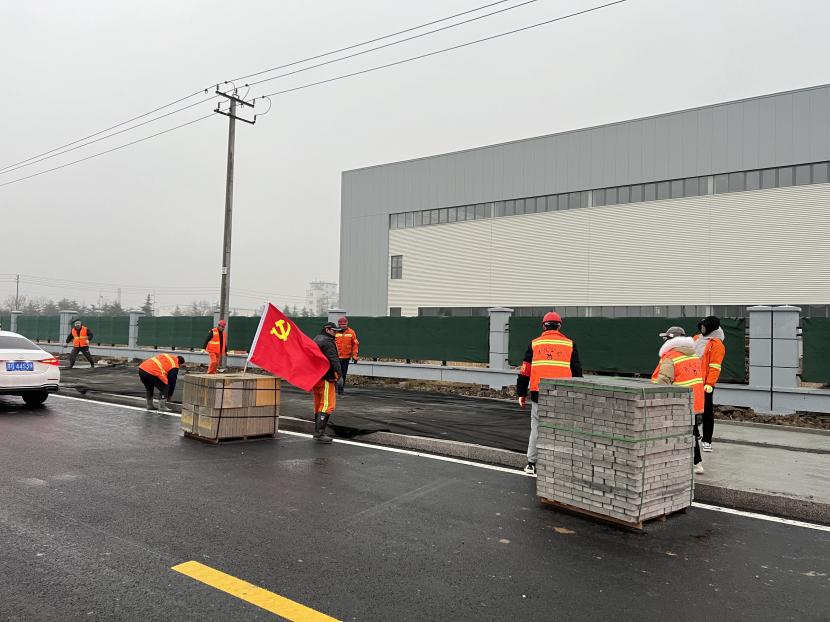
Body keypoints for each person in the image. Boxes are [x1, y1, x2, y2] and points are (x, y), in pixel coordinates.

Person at [516, 311, 583, 475]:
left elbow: (525, 372)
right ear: (559, 326)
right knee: (561, 428)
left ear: (543, 326)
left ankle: (531, 464)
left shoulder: (534, 344)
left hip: (539, 394)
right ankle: (560, 464)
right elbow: (577, 372)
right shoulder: (570, 344)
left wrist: (521, 393)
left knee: (536, 428)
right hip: (562, 394)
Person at [652, 326, 706, 474]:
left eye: (666, 338)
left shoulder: (671, 357)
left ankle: (676, 463)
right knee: (691, 432)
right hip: (694, 401)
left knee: (671, 433)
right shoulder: (693, 355)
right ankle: (697, 463)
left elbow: (663, 381)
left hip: (677, 402)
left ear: (671, 339)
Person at [693, 316, 726, 453]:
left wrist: (710, 384)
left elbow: (715, 366)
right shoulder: (696, 339)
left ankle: (707, 440)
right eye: (701, 326)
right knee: (691, 410)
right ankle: (695, 434)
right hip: (692, 381)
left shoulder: (716, 344)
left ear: (711, 328)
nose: (702, 328)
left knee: (707, 412)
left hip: (705, 384)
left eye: (704, 326)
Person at [311, 322, 343, 444]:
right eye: (334, 331)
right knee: (327, 404)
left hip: (316, 377)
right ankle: (319, 433)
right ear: (327, 330)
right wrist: (339, 375)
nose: (336, 333)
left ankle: (318, 432)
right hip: (326, 377)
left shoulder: (316, 339)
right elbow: (333, 359)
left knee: (318, 404)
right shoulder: (328, 342)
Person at [334, 316, 359, 394]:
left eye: (344, 324)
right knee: (336, 374)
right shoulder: (335, 332)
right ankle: (334, 388)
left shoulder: (351, 332)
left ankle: (341, 389)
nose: (342, 326)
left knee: (343, 374)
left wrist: (355, 355)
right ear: (338, 324)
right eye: (340, 324)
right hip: (336, 357)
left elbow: (355, 345)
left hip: (346, 357)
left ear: (347, 324)